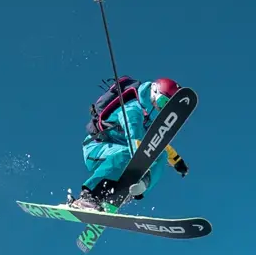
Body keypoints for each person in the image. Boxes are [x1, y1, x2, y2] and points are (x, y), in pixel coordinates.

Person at [70, 76, 189, 210]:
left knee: (160, 155)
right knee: (127, 154)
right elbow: (134, 137)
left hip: (123, 153)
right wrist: (141, 161)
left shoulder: (147, 120)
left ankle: (123, 193)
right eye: (162, 102)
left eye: (166, 107)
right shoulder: (132, 109)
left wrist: (176, 161)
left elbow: (158, 143)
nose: (160, 108)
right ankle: (87, 197)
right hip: (96, 148)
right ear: (154, 92)